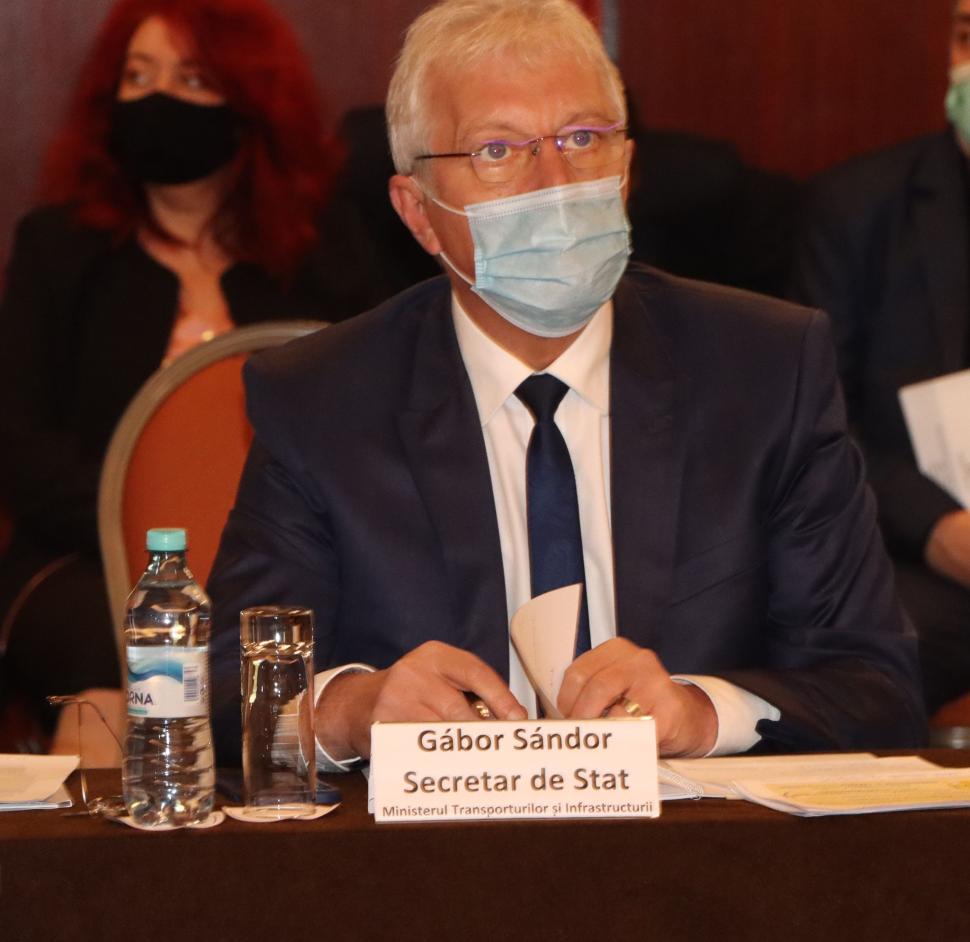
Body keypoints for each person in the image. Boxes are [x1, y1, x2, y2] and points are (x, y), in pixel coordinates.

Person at [208, 0, 924, 768]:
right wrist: (353, 710)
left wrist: (703, 713)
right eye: (497, 150)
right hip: (435, 840)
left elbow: (876, 689)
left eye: (582, 139)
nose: (554, 183)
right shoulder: (322, 400)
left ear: (626, 169)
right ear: (418, 213)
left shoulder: (765, 372)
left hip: (692, 836)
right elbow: (222, 694)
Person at [0, 0, 384, 738]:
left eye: (192, 79)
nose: (157, 100)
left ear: (250, 103)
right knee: (120, 674)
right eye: (137, 77)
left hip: (291, 565)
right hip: (86, 564)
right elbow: (21, 449)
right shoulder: (58, 249)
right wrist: (159, 542)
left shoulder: (326, 251)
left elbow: (372, 418)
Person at [790, 0, 970, 715]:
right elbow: (819, 423)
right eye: (967, 35)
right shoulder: (858, 207)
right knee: (864, 661)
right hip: (927, 555)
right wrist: (937, 528)